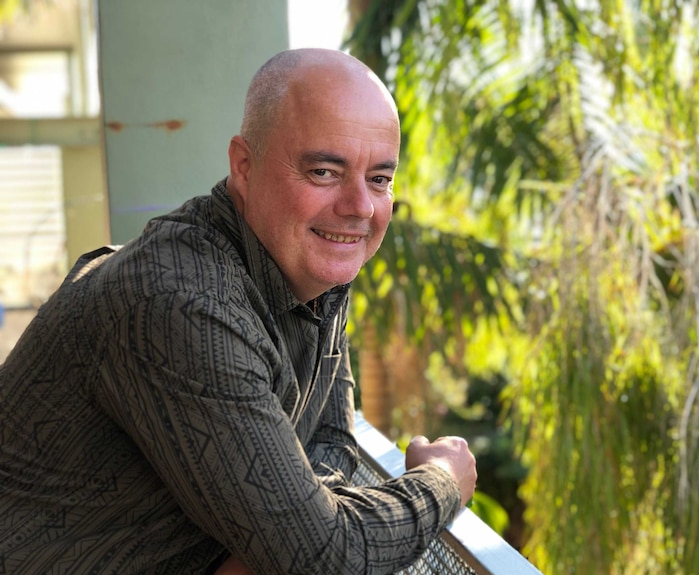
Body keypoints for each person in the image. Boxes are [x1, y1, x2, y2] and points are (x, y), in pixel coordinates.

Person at [0, 48, 477, 574]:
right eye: (324, 171)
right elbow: (328, 559)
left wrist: (284, 544)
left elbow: (329, 441)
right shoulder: (182, 302)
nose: (360, 206)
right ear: (244, 167)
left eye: (380, 179)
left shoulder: (309, 272)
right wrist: (443, 482)